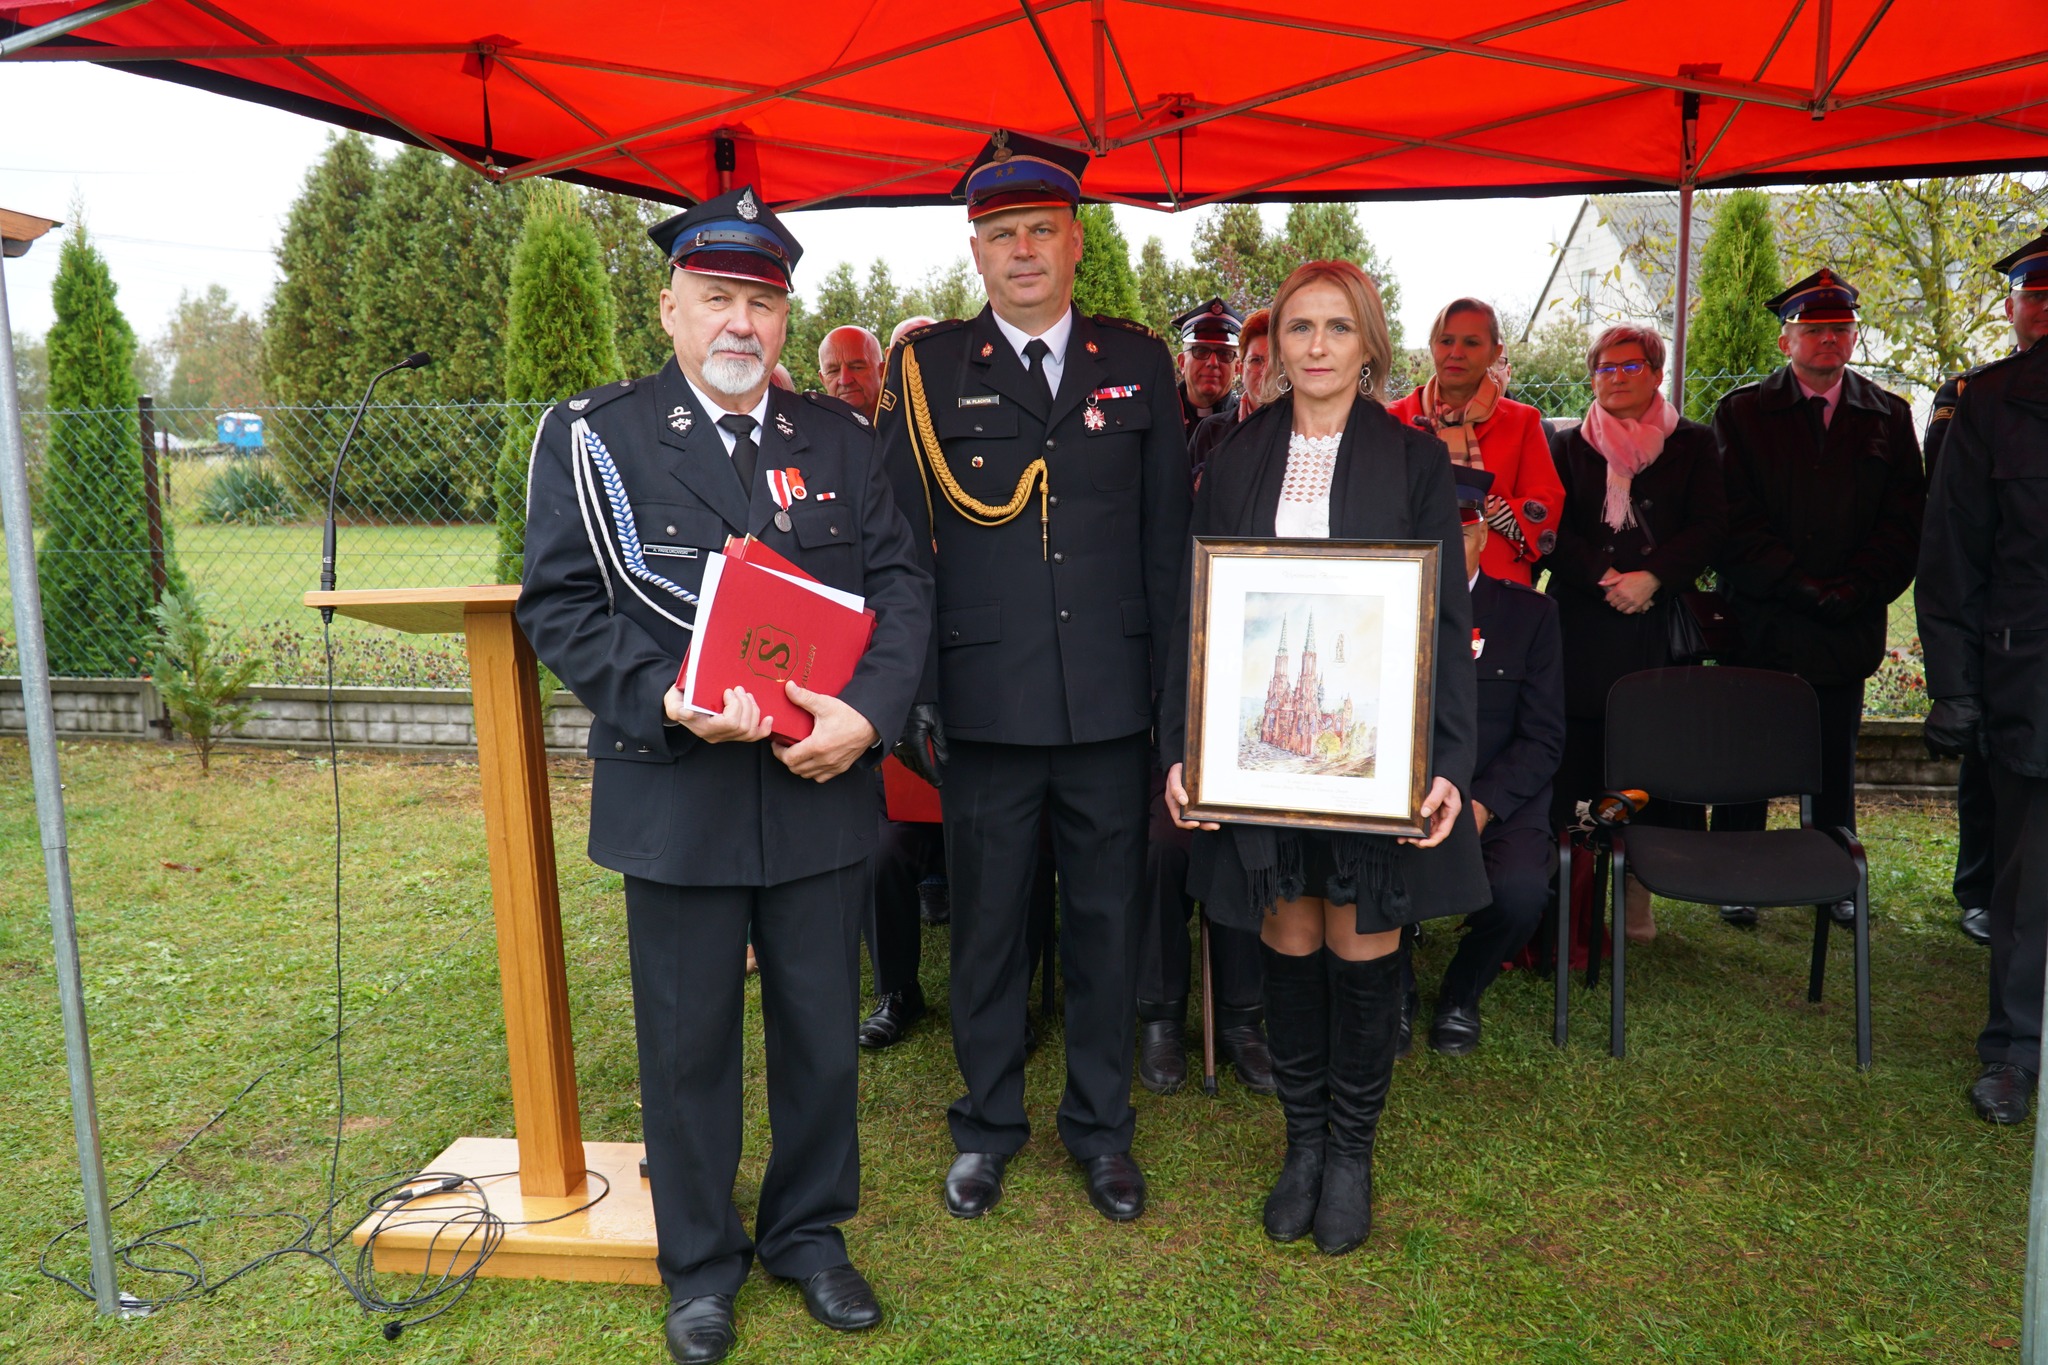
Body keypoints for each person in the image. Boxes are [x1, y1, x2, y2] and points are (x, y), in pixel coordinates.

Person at [516, 186, 931, 1365]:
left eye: (760, 300)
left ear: (785, 318)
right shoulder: (599, 438)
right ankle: (698, 1265)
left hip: (817, 783)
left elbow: (903, 588)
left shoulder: (840, 441)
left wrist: (868, 715)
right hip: (678, 790)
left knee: (820, 1034)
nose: (738, 321)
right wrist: (660, 695)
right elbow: (560, 603)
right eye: (714, 298)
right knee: (685, 1041)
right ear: (670, 310)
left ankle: (808, 1235)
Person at [874, 130, 1191, 1225]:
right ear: (975, 252)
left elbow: (1166, 546)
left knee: (1105, 924)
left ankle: (1101, 1130)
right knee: (987, 928)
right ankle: (987, 1125)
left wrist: (1170, 703)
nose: (1021, 251)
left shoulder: (1137, 363)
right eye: (1001, 234)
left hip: (1109, 703)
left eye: (1039, 231)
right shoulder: (925, 372)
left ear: (1075, 242)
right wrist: (913, 690)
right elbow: (898, 549)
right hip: (984, 704)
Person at [1161, 259, 1486, 1256]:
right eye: (1299, 326)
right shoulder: (1235, 453)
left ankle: (1351, 1151)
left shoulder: (1412, 459)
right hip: (1257, 761)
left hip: (1374, 761)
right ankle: (1301, 1143)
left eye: (1336, 327)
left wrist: (1447, 760)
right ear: (1276, 346)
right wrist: (1184, 748)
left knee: (1361, 938)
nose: (1315, 345)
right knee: (1288, 933)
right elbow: (1195, 610)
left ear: (1368, 345)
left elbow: (1444, 618)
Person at [1711, 269, 1923, 928]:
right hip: (1762, 616)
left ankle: (1834, 878)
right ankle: (1734, 874)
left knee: (1832, 760)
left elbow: (1903, 522)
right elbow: (1731, 518)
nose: (1829, 339)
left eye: (1840, 329)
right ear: (1786, 341)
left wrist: (1855, 588)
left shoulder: (1888, 415)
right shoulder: (1742, 413)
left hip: (1844, 621)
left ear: (1854, 337)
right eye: (1814, 329)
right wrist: (1795, 583)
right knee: (1745, 755)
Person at [1918, 230, 2048, 1124]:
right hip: (2029, 676)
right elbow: (1951, 556)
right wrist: (1955, 686)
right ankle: (2015, 1047)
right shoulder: (1992, 403)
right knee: (2027, 879)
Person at [1542, 325, 1726, 942]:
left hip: (1656, 627)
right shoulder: (1567, 445)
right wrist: (1603, 576)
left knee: (1649, 761)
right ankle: (1577, 896)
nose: (1616, 377)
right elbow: (1551, 529)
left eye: (1631, 366)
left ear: (1656, 373)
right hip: (1582, 626)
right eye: (1605, 368)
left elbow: (1710, 527)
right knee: (1580, 763)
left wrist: (1652, 577)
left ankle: (1638, 896)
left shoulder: (1694, 443)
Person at [1136, 305, 1273, 1099]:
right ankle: (1159, 1012)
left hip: (1267, 678)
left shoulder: (1324, 452)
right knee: (1164, 845)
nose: (1257, 371)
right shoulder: (1205, 441)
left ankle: (1244, 1018)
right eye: (1251, 359)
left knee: (1248, 841)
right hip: (1184, 663)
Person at [1428, 465, 1566, 1053]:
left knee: (1520, 894)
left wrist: (1483, 804)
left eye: (1460, 531)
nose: (1447, 544)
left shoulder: (1529, 615)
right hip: (1411, 792)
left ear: (1483, 534)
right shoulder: (1385, 607)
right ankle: (1394, 990)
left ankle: (1462, 990)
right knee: (1362, 873)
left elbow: (1543, 737)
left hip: (1498, 794)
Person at [1387, 297, 1565, 585]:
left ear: (1495, 352)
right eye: (1446, 341)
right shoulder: (1392, 419)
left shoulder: (1523, 421)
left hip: (1497, 588)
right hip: (1407, 580)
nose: (1456, 353)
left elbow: (1546, 507)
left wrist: (1482, 509)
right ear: (1432, 346)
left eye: (1471, 343)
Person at [1188, 307, 1270, 484]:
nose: (1265, 372)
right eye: (1256, 360)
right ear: (1241, 368)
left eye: (1275, 362)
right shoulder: (1210, 430)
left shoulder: (1305, 430)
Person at [1173, 298, 1243, 437]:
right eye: (1201, 351)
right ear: (1182, 363)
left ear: (1237, 368)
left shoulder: (1247, 422)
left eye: (1224, 353)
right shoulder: (1159, 416)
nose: (1212, 362)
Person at [819, 325, 885, 420]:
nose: (845, 381)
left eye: (857, 367)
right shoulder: (813, 426)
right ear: (822, 380)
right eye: (833, 371)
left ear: (882, 371)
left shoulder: (905, 418)